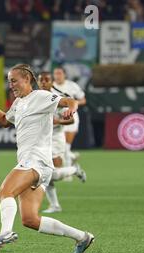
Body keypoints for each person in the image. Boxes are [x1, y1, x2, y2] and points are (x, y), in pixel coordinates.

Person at [0, 64, 94, 253]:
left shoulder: (40, 97)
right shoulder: (18, 103)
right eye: (9, 82)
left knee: (4, 192)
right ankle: (82, 237)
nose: (11, 85)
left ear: (27, 79)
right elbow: (3, 121)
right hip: (34, 163)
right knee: (30, 220)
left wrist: (71, 110)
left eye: (14, 80)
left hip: (36, 160)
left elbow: (70, 101)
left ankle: (5, 232)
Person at [38, 71, 86, 214]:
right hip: (42, 139)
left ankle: (74, 170)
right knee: (46, 173)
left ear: (51, 82)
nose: (43, 82)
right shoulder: (36, 96)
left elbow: (70, 119)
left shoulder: (58, 98)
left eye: (46, 80)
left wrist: (58, 121)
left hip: (56, 138)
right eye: (41, 80)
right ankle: (55, 205)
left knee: (49, 173)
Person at [52, 66, 86, 170]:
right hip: (56, 118)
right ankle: (71, 157)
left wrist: (73, 103)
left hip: (71, 116)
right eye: (55, 73)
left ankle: (69, 172)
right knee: (60, 148)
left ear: (64, 74)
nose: (57, 76)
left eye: (59, 73)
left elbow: (83, 100)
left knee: (66, 146)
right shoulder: (51, 87)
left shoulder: (72, 85)